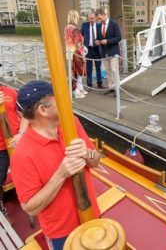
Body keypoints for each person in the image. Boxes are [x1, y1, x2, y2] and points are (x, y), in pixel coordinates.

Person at [11, 80, 100, 250]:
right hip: (62, 233)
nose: (67, 102)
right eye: (58, 99)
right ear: (43, 110)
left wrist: (87, 154)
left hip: (92, 213)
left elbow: (95, 162)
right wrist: (60, 174)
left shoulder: (72, 122)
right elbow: (30, 207)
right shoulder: (23, 155)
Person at [0, 85, 28, 218]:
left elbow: (25, 115)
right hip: (0, 149)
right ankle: (1, 206)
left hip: (17, 143)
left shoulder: (11, 92)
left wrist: (21, 134)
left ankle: (34, 198)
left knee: (29, 172)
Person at [95, 8, 122, 91]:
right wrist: (97, 41)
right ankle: (111, 87)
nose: (99, 20)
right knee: (108, 71)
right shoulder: (99, 25)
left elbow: (118, 37)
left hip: (113, 51)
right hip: (104, 52)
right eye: (98, 19)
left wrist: (107, 41)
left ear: (104, 15)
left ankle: (117, 88)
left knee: (114, 71)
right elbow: (98, 38)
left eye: (100, 18)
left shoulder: (114, 24)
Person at [64, 9, 87, 99]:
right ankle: (77, 91)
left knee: (73, 72)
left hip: (69, 52)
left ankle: (79, 89)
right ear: (75, 17)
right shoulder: (76, 30)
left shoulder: (66, 28)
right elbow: (78, 44)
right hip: (76, 53)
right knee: (79, 72)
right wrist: (83, 54)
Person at [81, 11, 104, 89]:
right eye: (89, 18)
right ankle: (89, 84)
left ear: (95, 18)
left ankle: (100, 83)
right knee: (89, 68)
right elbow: (81, 36)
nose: (90, 20)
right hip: (88, 49)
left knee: (98, 67)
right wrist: (82, 45)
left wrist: (100, 42)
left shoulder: (99, 25)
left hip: (98, 49)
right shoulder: (84, 25)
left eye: (92, 18)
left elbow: (102, 37)